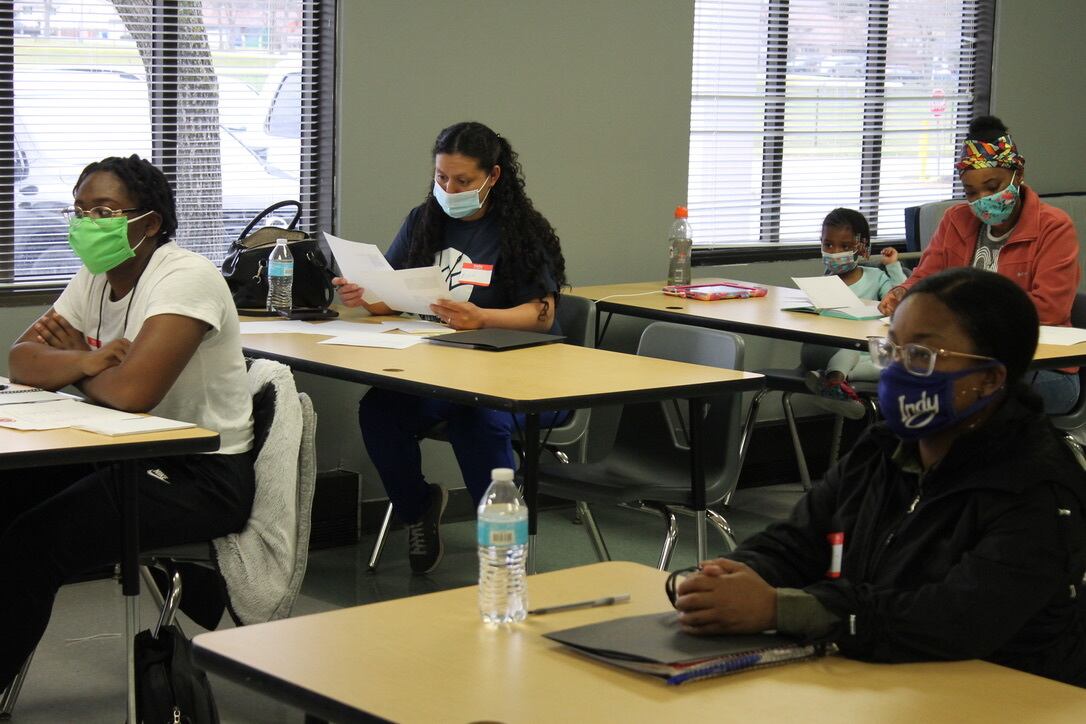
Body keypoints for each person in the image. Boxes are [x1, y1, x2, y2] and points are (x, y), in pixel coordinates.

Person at [674, 267, 1086, 687]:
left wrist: (780, 609)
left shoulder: (1038, 486)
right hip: (877, 677)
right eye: (891, 349)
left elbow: (954, 620)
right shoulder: (884, 448)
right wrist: (729, 579)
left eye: (922, 356)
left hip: (1005, 693)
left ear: (989, 378)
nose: (897, 371)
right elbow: (798, 542)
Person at [0, 155, 255, 690]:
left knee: (34, 544)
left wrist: (77, 370)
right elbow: (22, 359)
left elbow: (136, 393)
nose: (87, 223)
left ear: (150, 222)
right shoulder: (94, 277)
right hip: (121, 448)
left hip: (198, 473)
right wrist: (92, 362)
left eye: (104, 211)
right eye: (79, 211)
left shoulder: (186, 276)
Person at [333, 122, 567, 574]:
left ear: (493, 177)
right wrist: (366, 297)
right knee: (380, 411)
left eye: (463, 181)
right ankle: (419, 506)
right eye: (442, 178)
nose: (449, 188)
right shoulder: (425, 221)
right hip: (441, 370)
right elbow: (397, 293)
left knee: (475, 419)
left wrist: (483, 318)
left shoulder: (520, 231)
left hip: (517, 378)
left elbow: (543, 315)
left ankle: (501, 545)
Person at [878, 115, 1081, 413]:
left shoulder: (1053, 226)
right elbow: (925, 278)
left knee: (953, 394)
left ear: (1018, 174)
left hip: (1042, 367)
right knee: (902, 382)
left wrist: (967, 314)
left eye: (993, 186)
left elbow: (1051, 309)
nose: (983, 199)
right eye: (972, 192)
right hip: (963, 356)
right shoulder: (955, 220)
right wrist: (903, 293)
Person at [804, 208, 905, 419]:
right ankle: (833, 378)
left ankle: (832, 382)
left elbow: (901, 298)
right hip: (824, 349)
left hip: (867, 350)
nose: (834, 252)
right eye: (828, 244)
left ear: (862, 247)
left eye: (845, 246)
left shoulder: (876, 277)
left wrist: (893, 266)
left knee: (895, 364)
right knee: (848, 349)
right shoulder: (822, 283)